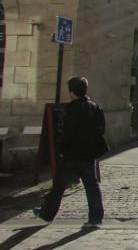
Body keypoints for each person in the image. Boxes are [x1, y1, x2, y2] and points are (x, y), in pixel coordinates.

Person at [34, 76, 107, 226]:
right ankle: (96, 218)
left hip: (72, 155)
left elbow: (67, 132)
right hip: (88, 155)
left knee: (59, 186)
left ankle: (47, 214)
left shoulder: (72, 109)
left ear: (72, 92)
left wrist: (62, 149)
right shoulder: (94, 107)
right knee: (92, 187)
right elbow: (101, 129)